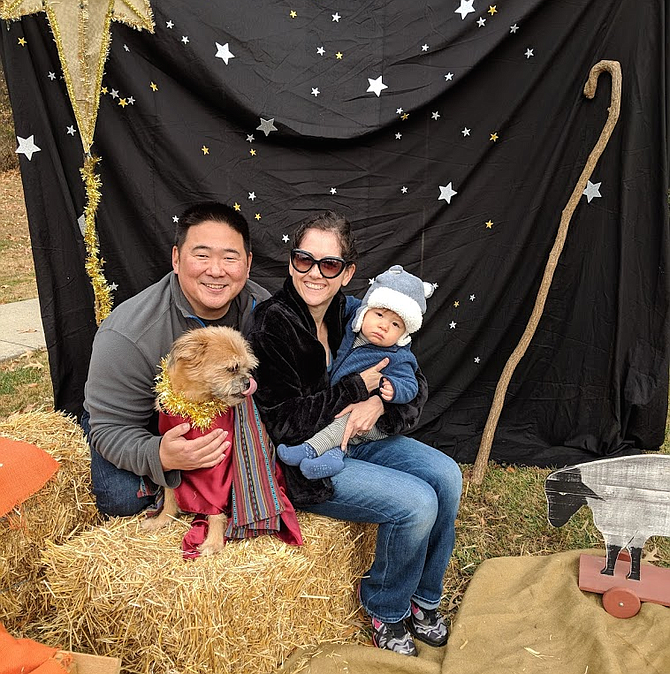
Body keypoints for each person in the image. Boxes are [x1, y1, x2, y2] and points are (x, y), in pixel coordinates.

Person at [246, 211, 463, 657]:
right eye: (304, 260)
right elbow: (281, 423)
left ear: (347, 272)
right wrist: (355, 389)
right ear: (291, 262)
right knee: (416, 502)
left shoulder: (357, 313)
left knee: (446, 476)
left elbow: (414, 383)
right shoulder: (273, 322)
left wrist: (379, 402)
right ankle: (385, 607)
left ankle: (423, 600)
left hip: (361, 438)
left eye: (329, 265)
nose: (314, 273)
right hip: (301, 458)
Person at [82, 202, 270, 517]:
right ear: (176, 259)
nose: (216, 270)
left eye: (229, 257)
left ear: (248, 264)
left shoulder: (264, 310)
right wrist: (160, 455)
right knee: (122, 499)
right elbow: (109, 426)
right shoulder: (128, 332)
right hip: (141, 422)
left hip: (224, 418)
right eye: (202, 255)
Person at [277, 264, 434, 480]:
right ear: (365, 312)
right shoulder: (353, 324)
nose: (383, 326)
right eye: (379, 314)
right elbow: (341, 304)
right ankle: (333, 457)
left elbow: (412, 385)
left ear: (403, 333)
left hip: (372, 424)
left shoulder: (398, 355)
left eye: (395, 324)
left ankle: (309, 449)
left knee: (346, 420)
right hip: (342, 412)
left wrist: (392, 392)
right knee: (340, 424)